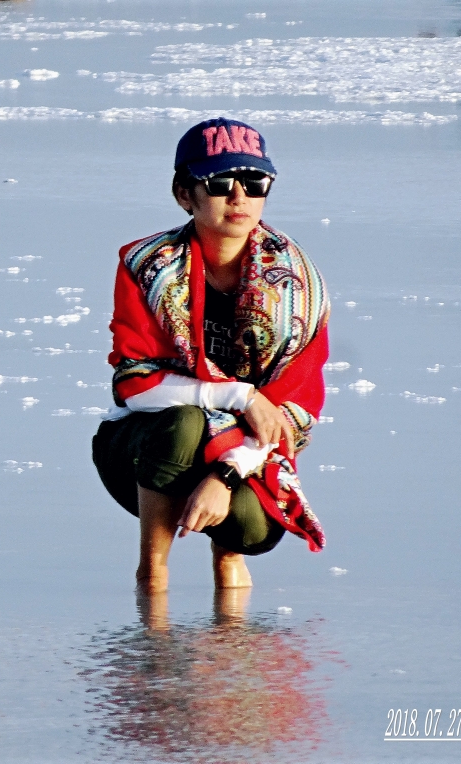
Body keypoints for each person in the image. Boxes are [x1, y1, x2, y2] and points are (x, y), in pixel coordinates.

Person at [92, 118, 331, 593]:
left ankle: (228, 565)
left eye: (254, 181)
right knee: (184, 423)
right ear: (185, 194)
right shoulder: (147, 267)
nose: (239, 197)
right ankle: (152, 571)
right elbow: (135, 386)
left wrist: (225, 474)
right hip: (146, 452)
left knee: (250, 529)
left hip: (245, 455)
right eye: (219, 183)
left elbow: (293, 412)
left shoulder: (298, 285)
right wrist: (241, 396)